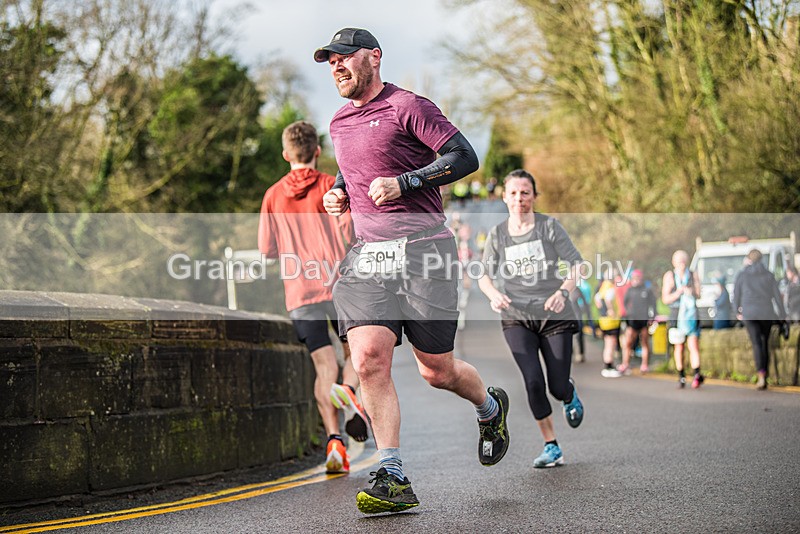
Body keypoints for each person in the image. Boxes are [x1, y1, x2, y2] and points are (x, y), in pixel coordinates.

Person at [314, 28, 509, 514]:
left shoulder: (409, 107)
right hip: (370, 255)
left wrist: (408, 182)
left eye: (344, 58)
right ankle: (393, 475)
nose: (336, 67)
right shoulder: (338, 123)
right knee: (368, 358)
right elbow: (353, 172)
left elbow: (465, 156)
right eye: (329, 62)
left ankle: (490, 408)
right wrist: (338, 193)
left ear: (373, 58)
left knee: (435, 370)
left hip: (426, 251)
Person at [257, 120, 368, 474]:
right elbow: (350, 230)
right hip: (338, 285)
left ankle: (334, 440)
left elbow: (266, 249)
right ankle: (349, 389)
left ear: (285, 154)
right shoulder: (329, 187)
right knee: (356, 352)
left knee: (323, 366)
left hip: (299, 292)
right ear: (317, 151)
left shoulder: (273, 195)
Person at [478, 169, 584, 469]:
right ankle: (552, 446)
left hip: (554, 314)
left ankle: (568, 392)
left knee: (557, 386)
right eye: (513, 192)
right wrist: (492, 294)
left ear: (534, 196)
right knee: (534, 383)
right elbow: (483, 274)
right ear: (504, 197)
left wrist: (563, 291)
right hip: (516, 316)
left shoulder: (549, 227)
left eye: (525, 192)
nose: (519, 198)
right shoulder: (498, 235)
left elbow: (577, 265)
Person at [733, 249, 787, 390]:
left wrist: (736, 311)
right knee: (765, 342)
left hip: (749, 313)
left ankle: (761, 374)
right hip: (765, 312)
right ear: (761, 259)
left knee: (756, 343)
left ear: (749, 259)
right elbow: (777, 297)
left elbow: (736, 295)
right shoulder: (768, 275)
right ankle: (766, 374)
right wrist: (782, 316)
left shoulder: (742, 275)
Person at [661, 250, 704, 388]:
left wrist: (691, 292)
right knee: (678, 347)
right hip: (676, 315)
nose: (682, 263)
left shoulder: (693, 275)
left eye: (684, 260)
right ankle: (681, 376)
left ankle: (697, 374)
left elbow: (699, 294)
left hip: (691, 314)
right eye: (679, 261)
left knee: (693, 345)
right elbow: (665, 299)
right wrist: (678, 292)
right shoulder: (670, 276)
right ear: (674, 262)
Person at [619, 269, 657, 374]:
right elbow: (625, 303)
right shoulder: (630, 290)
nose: (636, 280)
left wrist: (652, 317)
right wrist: (628, 313)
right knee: (628, 343)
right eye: (634, 278)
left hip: (644, 320)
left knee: (644, 342)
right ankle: (625, 364)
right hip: (632, 320)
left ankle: (644, 365)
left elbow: (653, 305)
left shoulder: (647, 290)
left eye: (638, 278)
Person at [594, 271, 623, 378]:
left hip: (603, 320)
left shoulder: (602, 287)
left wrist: (602, 310)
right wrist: (611, 310)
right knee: (611, 343)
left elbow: (597, 299)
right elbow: (608, 299)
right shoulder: (610, 288)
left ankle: (608, 365)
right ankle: (609, 366)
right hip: (610, 321)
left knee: (607, 342)